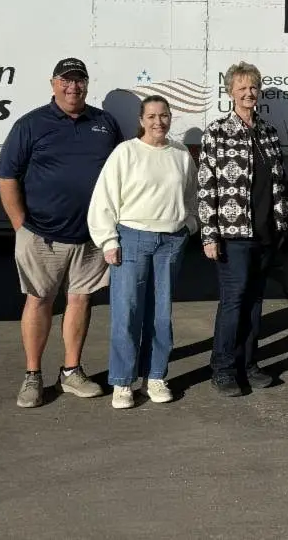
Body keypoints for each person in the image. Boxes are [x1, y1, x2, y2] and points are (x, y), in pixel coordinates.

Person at [0, 57, 124, 408]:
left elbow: (121, 172)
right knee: (39, 299)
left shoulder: (104, 123)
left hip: (92, 237)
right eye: (66, 81)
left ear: (87, 84)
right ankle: (33, 376)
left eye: (79, 80)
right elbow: (6, 176)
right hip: (42, 235)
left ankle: (71, 372)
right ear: (53, 84)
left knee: (81, 300)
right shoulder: (31, 124)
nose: (73, 87)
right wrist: (20, 225)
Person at [87, 95, 198, 409]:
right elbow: (104, 198)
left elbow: (192, 197)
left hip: (170, 242)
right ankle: (123, 381)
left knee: (161, 314)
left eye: (163, 115)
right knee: (128, 312)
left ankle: (156, 376)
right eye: (151, 116)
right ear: (141, 120)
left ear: (170, 117)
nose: (158, 122)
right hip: (132, 238)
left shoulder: (180, 154)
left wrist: (189, 225)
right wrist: (108, 241)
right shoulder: (126, 152)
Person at [197, 61, 288, 397]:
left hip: (266, 234)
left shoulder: (268, 133)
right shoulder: (217, 132)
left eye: (253, 87)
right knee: (234, 301)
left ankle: (249, 365)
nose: (249, 93)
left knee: (254, 302)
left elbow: (278, 183)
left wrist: (282, 224)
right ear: (230, 93)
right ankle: (223, 369)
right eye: (242, 88)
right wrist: (209, 233)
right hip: (233, 235)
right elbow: (206, 186)